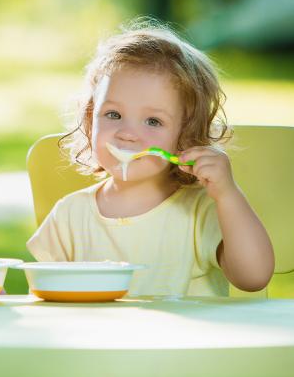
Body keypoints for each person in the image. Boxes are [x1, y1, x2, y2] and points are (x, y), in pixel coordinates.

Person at [27, 20, 274, 297]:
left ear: (186, 136)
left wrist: (228, 195)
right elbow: (47, 302)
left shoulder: (201, 211)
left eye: (153, 121)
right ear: (89, 120)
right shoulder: (70, 215)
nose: (128, 134)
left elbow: (254, 278)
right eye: (113, 115)